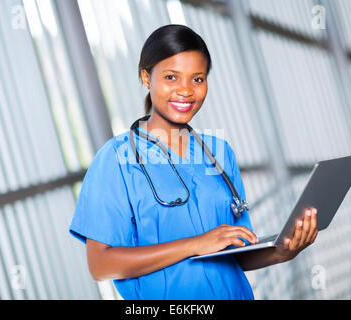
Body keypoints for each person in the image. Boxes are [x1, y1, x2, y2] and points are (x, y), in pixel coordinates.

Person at [69, 24, 318, 300]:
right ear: (145, 77)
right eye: (171, 77)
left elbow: (236, 254)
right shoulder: (116, 159)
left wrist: (282, 251)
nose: (186, 90)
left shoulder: (219, 153)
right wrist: (195, 244)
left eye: (197, 79)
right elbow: (101, 265)